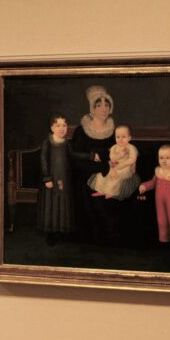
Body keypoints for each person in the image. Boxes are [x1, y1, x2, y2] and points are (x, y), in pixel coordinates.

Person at [69, 86, 116, 243]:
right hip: (85, 174)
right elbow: (75, 156)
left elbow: (118, 152)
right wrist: (92, 158)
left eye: (106, 105)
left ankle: (110, 235)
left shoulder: (114, 130)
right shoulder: (82, 131)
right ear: (92, 108)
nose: (103, 108)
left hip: (109, 172)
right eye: (99, 105)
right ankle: (93, 236)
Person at [36, 114, 74, 244]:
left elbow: (74, 155)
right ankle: (50, 233)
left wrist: (91, 156)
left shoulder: (67, 143)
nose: (62, 128)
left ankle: (60, 231)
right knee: (50, 204)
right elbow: (43, 160)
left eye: (64, 125)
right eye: (58, 125)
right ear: (52, 127)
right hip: (51, 178)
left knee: (62, 203)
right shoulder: (47, 142)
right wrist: (47, 178)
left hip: (64, 178)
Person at [138, 144, 170, 246]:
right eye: (161, 158)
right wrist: (145, 186)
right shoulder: (159, 172)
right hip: (159, 201)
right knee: (162, 221)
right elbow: (153, 183)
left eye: (167, 158)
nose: (164, 160)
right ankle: (164, 241)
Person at [88, 124, 139, 200]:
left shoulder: (130, 147)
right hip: (114, 165)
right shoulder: (114, 147)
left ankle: (112, 192)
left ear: (129, 138)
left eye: (123, 137)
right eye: (118, 137)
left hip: (126, 167)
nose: (120, 139)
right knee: (102, 175)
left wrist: (123, 164)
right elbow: (112, 157)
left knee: (116, 177)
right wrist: (119, 155)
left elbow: (132, 159)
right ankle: (101, 190)